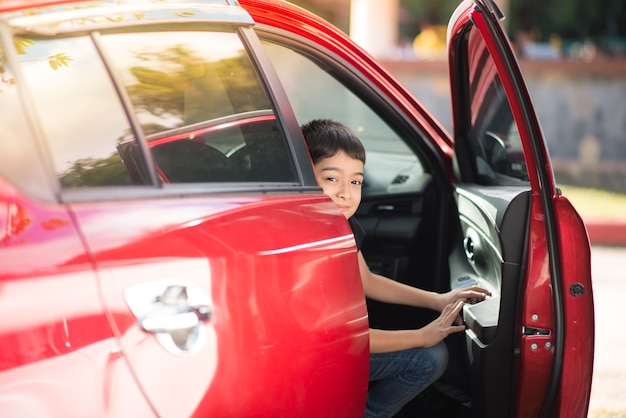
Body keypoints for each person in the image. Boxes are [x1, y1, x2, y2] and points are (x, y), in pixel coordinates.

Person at [300, 119, 491, 418]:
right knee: (428, 357)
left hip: (335, 350)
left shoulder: (342, 227)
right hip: (315, 359)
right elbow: (344, 337)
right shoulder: (304, 245)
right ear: (303, 176)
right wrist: (421, 336)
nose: (345, 193)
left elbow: (368, 281)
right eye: (332, 178)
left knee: (430, 357)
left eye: (355, 182)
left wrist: (438, 299)